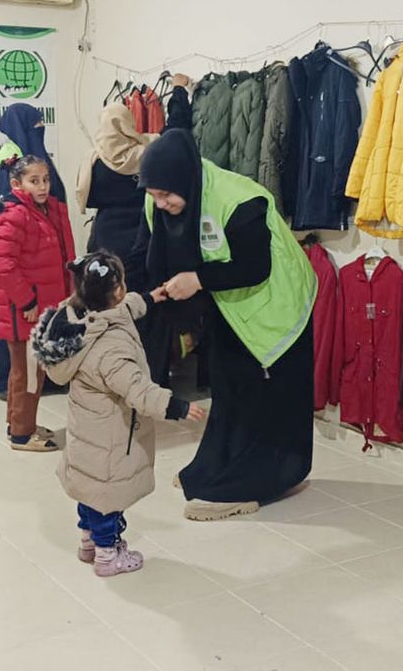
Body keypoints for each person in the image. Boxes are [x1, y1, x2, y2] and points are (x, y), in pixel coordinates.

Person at [140, 129, 318, 521]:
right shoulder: (162, 199)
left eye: (166, 195)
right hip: (231, 305)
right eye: (154, 195)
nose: (161, 203)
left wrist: (197, 280)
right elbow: (153, 253)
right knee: (227, 384)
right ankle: (214, 467)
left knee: (264, 397)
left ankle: (253, 484)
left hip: (276, 306)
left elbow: (255, 267)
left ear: (185, 179)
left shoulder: (239, 200)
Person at [31, 250, 207, 576]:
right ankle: (107, 556)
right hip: (111, 439)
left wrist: (151, 298)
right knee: (108, 500)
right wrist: (176, 406)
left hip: (88, 433)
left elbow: (125, 309)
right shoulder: (110, 348)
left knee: (90, 489)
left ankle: (88, 542)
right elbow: (137, 389)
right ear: (117, 290)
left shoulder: (82, 319)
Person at [0, 155, 76, 452]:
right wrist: (27, 301)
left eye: (45, 180)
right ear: (16, 184)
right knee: (29, 375)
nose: (43, 186)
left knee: (24, 372)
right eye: (34, 181)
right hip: (26, 311)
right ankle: (22, 435)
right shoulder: (14, 214)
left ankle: (18, 424)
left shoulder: (43, 211)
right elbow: (2, 265)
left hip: (41, 308)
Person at [76, 75, 193, 293]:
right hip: (141, 238)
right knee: (142, 297)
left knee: (108, 296)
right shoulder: (148, 153)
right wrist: (178, 90)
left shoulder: (91, 162)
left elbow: (86, 197)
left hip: (103, 239)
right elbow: (177, 129)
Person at [0, 103, 66, 397]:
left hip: (35, 257)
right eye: (36, 124)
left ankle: (25, 384)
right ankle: (11, 388)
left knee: (30, 330)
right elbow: (12, 215)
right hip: (19, 259)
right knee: (20, 330)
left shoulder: (25, 156)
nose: (41, 129)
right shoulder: (11, 161)